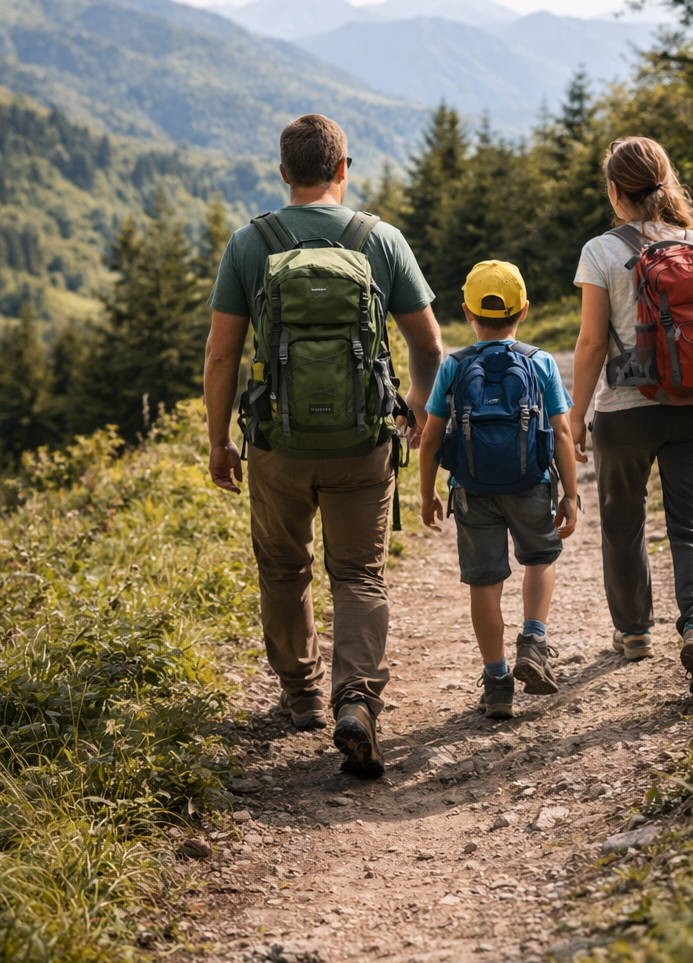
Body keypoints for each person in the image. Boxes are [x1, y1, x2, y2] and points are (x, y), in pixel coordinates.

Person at [203, 113, 443, 775]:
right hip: (362, 440)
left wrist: (220, 440)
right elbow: (429, 344)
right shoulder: (380, 239)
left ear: (284, 173)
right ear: (344, 170)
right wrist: (419, 409)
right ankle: (357, 701)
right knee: (359, 574)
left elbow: (222, 355)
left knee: (284, 569)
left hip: (278, 441)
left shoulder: (251, 244)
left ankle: (301, 693)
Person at [569, 135, 693, 696]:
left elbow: (592, 344)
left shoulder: (601, 251)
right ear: (666, 183)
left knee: (622, 523)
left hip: (625, 409)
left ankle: (635, 633)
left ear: (616, 191)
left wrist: (575, 416)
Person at [420, 260, 579, 718]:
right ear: (524, 310)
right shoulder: (541, 362)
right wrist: (569, 494)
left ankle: (496, 682)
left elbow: (431, 437)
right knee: (541, 558)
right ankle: (533, 639)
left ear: (467, 311)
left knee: (485, 583)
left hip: (472, 491)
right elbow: (562, 434)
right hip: (531, 484)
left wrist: (427, 492)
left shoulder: (453, 367)